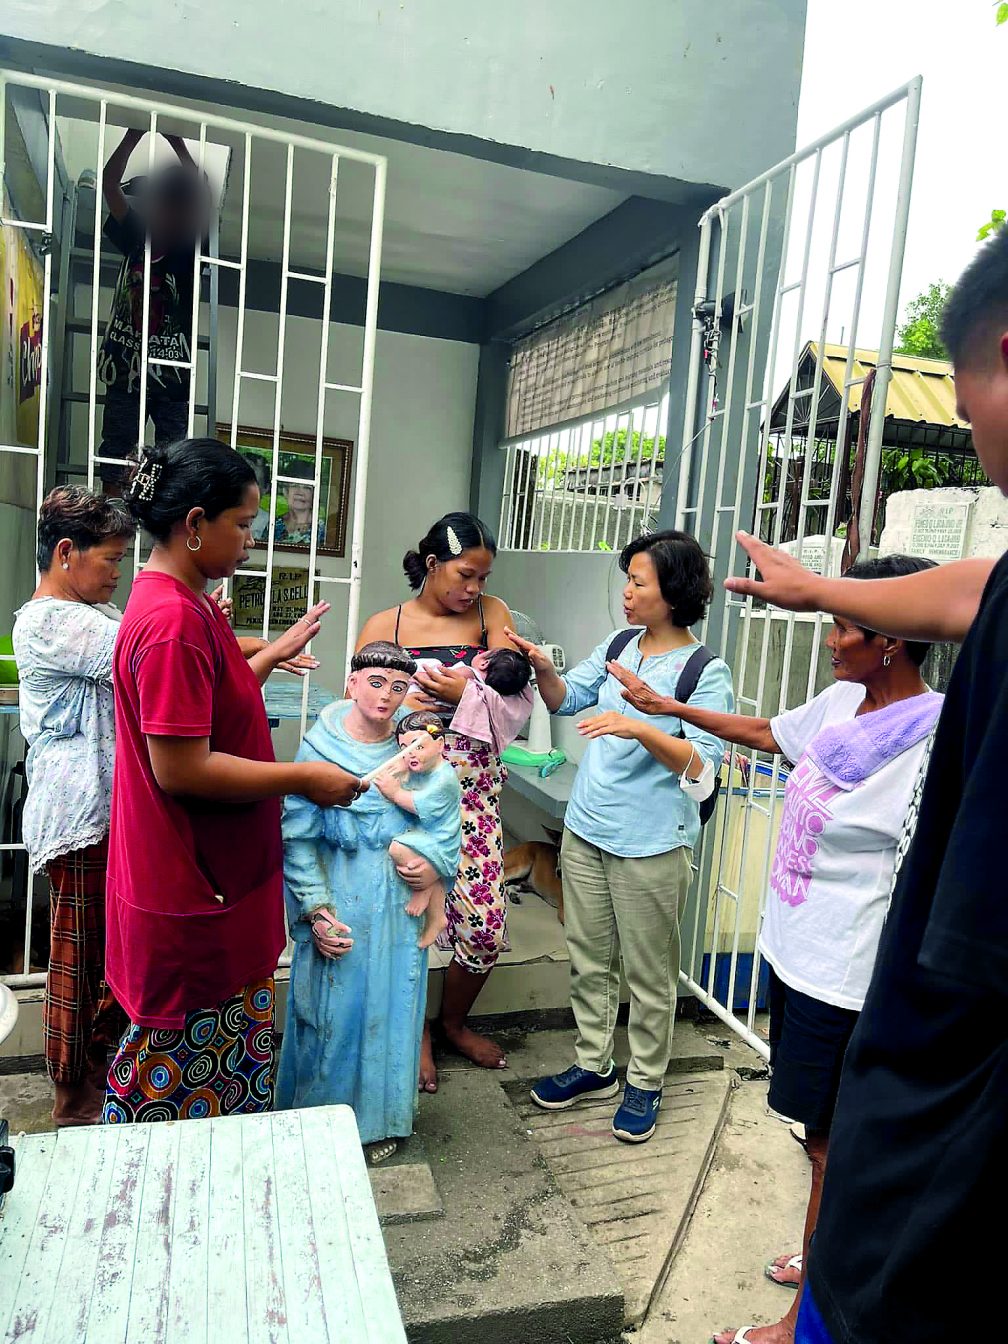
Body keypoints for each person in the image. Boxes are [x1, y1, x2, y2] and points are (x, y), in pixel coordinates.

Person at [719, 229, 1008, 1344]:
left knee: (843, 1163)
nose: (973, 431)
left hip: (933, 1082)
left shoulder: (918, 728)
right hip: (826, 972)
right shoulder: (842, 703)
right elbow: (966, 590)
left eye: (971, 393)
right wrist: (813, 588)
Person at [608, 556, 943, 1344]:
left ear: (892, 639)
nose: (830, 641)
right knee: (819, 1137)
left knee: (832, 1144)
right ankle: (824, 1250)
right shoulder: (843, 701)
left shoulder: (931, 736)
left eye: (844, 626)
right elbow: (767, 734)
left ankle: (805, 1322)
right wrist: (666, 707)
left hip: (849, 972)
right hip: (797, 953)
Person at [102, 437, 363, 1124]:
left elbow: (211, 705)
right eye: (243, 525)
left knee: (218, 1088)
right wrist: (304, 776)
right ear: (193, 525)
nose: (251, 541)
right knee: (170, 1098)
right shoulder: (171, 624)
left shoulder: (185, 605)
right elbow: (181, 765)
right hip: (194, 887)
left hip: (213, 880)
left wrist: (273, 650)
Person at [508, 530, 734, 1143]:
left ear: (676, 591)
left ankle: (647, 1081)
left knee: (648, 972)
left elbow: (702, 766)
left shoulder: (703, 672)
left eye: (639, 582)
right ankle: (593, 1065)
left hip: (652, 843)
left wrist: (645, 724)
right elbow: (565, 700)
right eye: (627, 580)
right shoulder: (617, 644)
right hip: (587, 830)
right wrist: (544, 669)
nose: (627, 593)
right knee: (588, 958)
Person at [356, 512, 520, 1089]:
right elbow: (362, 704)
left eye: (482, 577)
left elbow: (512, 681)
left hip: (473, 792)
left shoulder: (490, 614)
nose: (474, 588)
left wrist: (466, 690)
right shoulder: (387, 622)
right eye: (465, 574)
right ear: (432, 564)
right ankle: (415, 1029)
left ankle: (452, 1021)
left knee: (481, 926)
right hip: (406, 791)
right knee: (410, 917)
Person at [275, 645, 444, 1163]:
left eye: (397, 687)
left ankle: (380, 1119)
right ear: (350, 685)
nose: (385, 696)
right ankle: (319, 1121)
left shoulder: (413, 751)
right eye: (374, 682)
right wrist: (316, 909)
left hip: (397, 906)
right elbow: (298, 838)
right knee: (332, 1014)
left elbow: (441, 819)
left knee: (392, 1008)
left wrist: (432, 865)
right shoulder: (318, 750)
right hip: (341, 897)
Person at [11, 488, 135, 1126]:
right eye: (111, 558)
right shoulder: (52, 621)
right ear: (67, 552)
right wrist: (260, 650)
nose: (119, 571)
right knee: (79, 957)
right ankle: (70, 1093)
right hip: (80, 810)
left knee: (111, 954)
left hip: (107, 809)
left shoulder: (94, 613)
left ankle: (98, 1074)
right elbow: (148, 654)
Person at [98, 129, 211, 495]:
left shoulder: (190, 248)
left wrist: (177, 145)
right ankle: (113, 523)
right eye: (165, 205)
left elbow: (202, 195)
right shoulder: (137, 233)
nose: (170, 215)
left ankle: (159, 526)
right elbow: (110, 184)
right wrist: (134, 135)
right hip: (126, 363)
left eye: (180, 208)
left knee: (170, 459)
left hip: (171, 372)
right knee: (115, 454)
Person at [375, 711, 463, 950]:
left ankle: (422, 888)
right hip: (429, 840)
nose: (410, 753)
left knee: (398, 848)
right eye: (404, 747)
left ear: (440, 745)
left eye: (417, 746)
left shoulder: (444, 778)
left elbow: (417, 804)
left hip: (440, 843)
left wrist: (394, 792)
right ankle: (437, 918)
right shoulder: (423, 770)